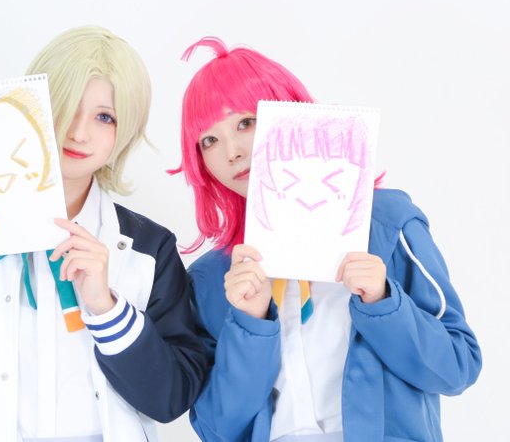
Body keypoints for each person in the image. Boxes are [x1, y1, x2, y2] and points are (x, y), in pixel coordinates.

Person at [0, 26, 206, 442]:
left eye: (104, 117)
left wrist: (107, 308)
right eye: (65, 105)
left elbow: (170, 399)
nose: (79, 132)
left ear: (124, 130)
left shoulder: (150, 249)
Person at [174, 36, 481, 442]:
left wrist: (384, 303)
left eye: (245, 122)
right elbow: (216, 429)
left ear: (290, 113)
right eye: (208, 140)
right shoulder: (213, 278)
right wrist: (250, 324)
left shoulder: (386, 224)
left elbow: (458, 367)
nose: (231, 151)